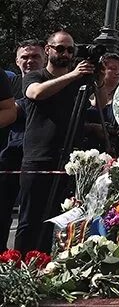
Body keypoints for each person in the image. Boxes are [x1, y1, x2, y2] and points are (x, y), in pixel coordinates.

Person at [16, 30, 93, 252]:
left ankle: (49, 265)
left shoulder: (78, 82)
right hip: (39, 158)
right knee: (30, 219)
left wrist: (95, 77)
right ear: (48, 49)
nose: (65, 54)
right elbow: (36, 93)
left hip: (69, 159)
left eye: (70, 50)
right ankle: (19, 265)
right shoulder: (36, 75)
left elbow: (100, 101)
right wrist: (74, 75)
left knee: (60, 220)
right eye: (60, 48)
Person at [0, 40, 44, 251]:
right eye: (25, 57)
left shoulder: (51, 83)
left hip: (40, 161)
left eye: (35, 56)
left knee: (32, 219)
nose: (30, 61)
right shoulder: (10, 84)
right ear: (17, 61)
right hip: (9, 158)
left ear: (44, 58)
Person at [82, 53, 119, 154]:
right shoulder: (85, 93)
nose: (117, 72)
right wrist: (93, 127)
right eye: (112, 68)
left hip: (116, 150)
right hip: (87, 149)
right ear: (101, 70)